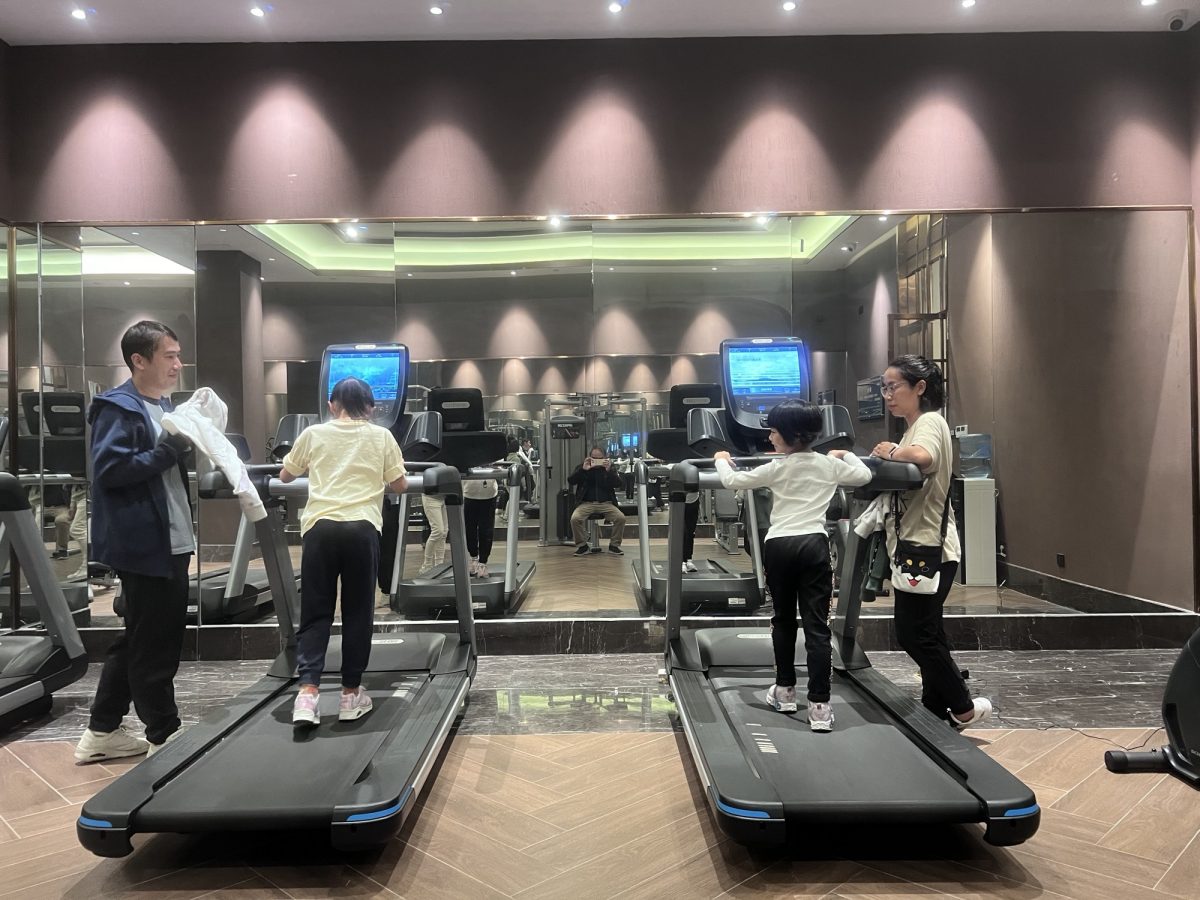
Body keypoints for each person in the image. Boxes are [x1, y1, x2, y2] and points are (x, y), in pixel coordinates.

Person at [74, 320, 194, 762]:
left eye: (178, 356)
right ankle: (164, 734)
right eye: (169, 356)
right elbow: (110, 471)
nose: (177, 365)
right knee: (156, 644)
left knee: (139, 638)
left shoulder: (163, 407)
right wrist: (168, 451)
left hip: (170, 541)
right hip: (146, 547)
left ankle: (102, 731)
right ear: (139, 361)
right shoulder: (118, 408)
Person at [714, 399, 871, 732]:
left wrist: (721, 460)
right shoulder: (828, 465)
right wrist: (844, 454)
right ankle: (820, 707)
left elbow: (732, 481)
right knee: (817, 627)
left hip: (780, 546)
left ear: (791, 434)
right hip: (814, 546)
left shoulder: (777, 467)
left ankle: (785, 690)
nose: (770, 437)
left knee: (783, 620)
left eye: (773, 431)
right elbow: (864, 474)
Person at [872, 354, 991, 730]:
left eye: (893, 387)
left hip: (929, 549)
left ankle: (964, 707)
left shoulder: (930, 422)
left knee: (913, 634)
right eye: (884, 388)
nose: (888, 395)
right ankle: (935, 708)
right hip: (916, 546)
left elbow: (923, 458)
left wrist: (891, 451)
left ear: (919, 387)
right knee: (928, 631)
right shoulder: (912, 428)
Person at [280, 376, 407, 726]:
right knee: (358, 613)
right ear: (370, 407)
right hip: (361, 529)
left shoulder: (313, 433)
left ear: (332, 405)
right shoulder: (382, 436)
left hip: (320, 529)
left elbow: (286, 475)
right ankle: (351, 694)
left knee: (315, 612)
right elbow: (399, 484)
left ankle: (308, 695)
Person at [568, 446, 626, 557]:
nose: (596, 461)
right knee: (575, 519)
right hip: (586, 503)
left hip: (606, 503)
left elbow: (619, 484)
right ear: (589, 457)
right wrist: (583, 470)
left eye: (599, 458)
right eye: (594, 458)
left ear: (605, 457)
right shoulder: (582, 467)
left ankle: (614, 545)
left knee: (620, 518)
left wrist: (609, 471)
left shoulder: (610, 468)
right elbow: (571, 481)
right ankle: (582, 546)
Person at [463, 470, 498, 577]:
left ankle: (483, 563)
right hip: (469, 493)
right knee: (470, 529)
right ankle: (474, 558)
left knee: (486, 530)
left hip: (489, 494)